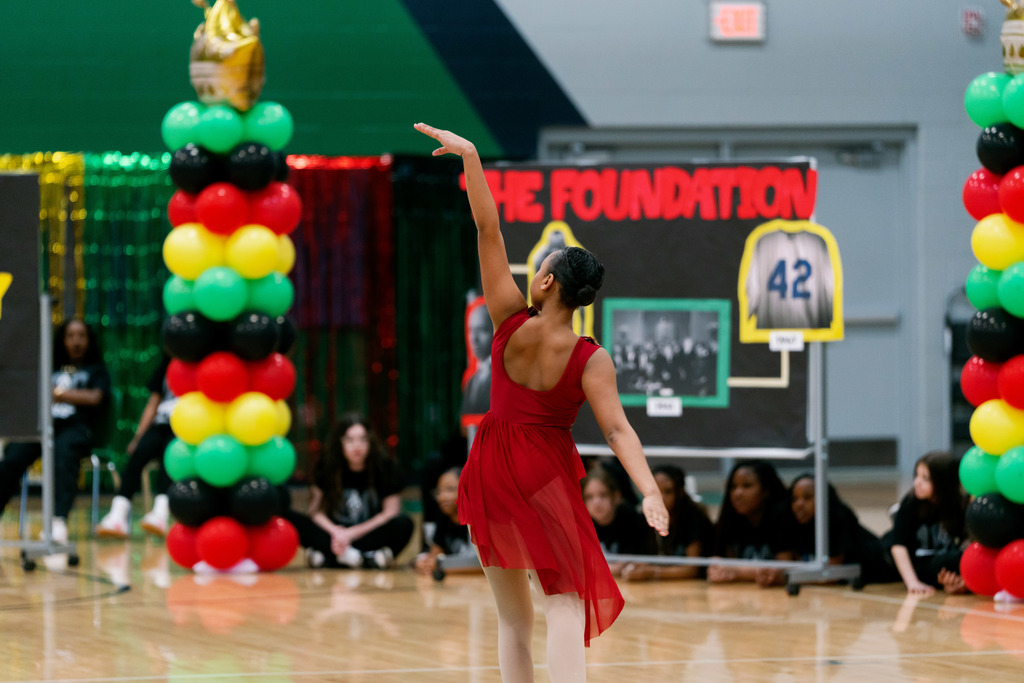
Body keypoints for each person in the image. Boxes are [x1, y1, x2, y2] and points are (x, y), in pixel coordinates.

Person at [415, 122, 669, 682]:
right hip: (542, 474)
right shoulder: (589, 358)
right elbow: (619, 433)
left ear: (548, 282)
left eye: (541, 268)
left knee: (512, 620)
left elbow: (488, 228)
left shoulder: (507, 319)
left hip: (487, 467)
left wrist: (472, 157)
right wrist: (649, 491)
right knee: (565, 602)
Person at [0, 318, 110, 544]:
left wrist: (59, 395)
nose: (76, 341)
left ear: (89, 340)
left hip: (76, 427)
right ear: (62, 340)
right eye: (71, 336)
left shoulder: (96, 370)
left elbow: (95, 397)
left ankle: (58, 520)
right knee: (13, 456)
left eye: (81, 336)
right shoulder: (49, 368)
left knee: (63, 456)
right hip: (45, 428)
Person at [282, 413, 414, 569]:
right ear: (340, 442)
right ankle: (364, 558)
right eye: (349, 440)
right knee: (289, 518)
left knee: (404, 524)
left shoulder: (385, 466)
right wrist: (336, 533)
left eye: (363, 439)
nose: (357, 446)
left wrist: (352, 533)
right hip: (334, 535)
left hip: (366, 534)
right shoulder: (327, 466)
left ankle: (331, 558)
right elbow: (315, 511)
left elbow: (390, 512)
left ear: (370, 441)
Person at [96, 353, 176, 538]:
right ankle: (118, 514)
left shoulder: (201, 366)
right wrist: (138, 437)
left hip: (186, 428)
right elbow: (152, 404)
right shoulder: (166, 367)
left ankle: (160, 514)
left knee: (170, 456)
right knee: (137, 456)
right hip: (161, 423)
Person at [788, 473, 897, 585]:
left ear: (824, 497)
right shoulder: (797, 523)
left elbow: (830, 574)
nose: (799, 504)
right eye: (794, 499)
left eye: (807, 497)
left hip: (885, 564)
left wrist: (787, 578)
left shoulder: (836, 517)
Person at [886, 450, 970, 595]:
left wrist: (960, 582)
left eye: (926, 479)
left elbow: (967, 547)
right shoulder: (912, 501)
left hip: (942, 563)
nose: (917, 482)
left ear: (943, 481)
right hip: (915, 563)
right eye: (917, 475)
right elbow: (898, 545)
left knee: (955, 559)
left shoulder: (960, 504)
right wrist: (912, 583)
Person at [709, 459, 797, 587]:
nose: (737, 493)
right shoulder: (730, 521)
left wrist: (737, 571)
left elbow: (784, 570)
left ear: (766, 491)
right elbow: (723, 569)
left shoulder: (784, 519)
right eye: (733, 487)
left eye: (747, 486)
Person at [620, 463, 715, 581]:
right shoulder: (643, 518)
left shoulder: (693, 518)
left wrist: (652, 572)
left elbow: (692, 569)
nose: (661, 498)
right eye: (656, 491)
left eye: (668, 491)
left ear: (680, 492)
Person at [582, 467, 655, 576]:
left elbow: (636, 560)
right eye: (589, 497)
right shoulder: (580, 524)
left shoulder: (633, 520)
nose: (596, 502)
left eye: (603, 495)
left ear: (616, 496)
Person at [414, 466, 477, 577]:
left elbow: (481, 565)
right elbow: (436, 553)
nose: (442, 497)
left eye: (450, 489)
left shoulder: (476, 519)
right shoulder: (442, 515)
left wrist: (442, 565)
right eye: (439, 491)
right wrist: (426, 563)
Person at [461, 302, 494, 419]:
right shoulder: (471, 381)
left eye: (481, 330)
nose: (474, 339)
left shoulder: (505, 377)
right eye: (471, 330)